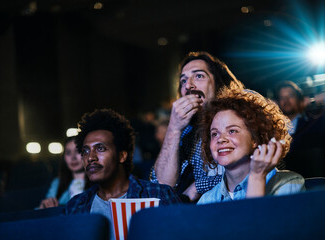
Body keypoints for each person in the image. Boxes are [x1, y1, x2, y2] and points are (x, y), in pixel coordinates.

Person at [65, 109, 181, 239]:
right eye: (85, 151)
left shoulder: (158, 194)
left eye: (100, 148)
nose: (90, 157)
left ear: (122, 156)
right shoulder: (76, 205)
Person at [150, 51, 244, 201]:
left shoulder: (243, 115)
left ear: (219, 83)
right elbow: (161, 185)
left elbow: (248, 169)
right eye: (183, 80)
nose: (188, 85)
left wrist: (197, 186)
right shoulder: (186, 130)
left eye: (199, 76)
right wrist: (173, 127)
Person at [197, 88, 305, 204]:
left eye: (232, 131)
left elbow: (254, 222)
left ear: (255, 138)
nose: (221, 139)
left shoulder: (289, 185)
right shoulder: (206, 201)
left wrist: (257, 177)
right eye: (214, 134)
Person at [275, 81, 325, 178]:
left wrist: (313, 99)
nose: (286, 101)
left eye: (290, 96)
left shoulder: (315, 123)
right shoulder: (272, 129)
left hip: (311, 182)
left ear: (299, 98)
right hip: (282, 185)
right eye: (282, 97)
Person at [39, 137, 89, 208]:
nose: (73, 157)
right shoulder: (57, 183)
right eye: (68, 153)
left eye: (78, 151)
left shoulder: (98, 182)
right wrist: (43, 207)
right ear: (64, 158)